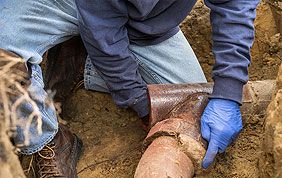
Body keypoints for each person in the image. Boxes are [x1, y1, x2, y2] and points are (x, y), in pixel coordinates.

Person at [0, 0, 259, 177]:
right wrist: (140, 102)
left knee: (191, 108)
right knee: (3, 55)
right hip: (53, 4)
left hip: (144, 24)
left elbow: (235, 6)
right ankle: (46, 141)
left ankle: (80, 63)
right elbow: (104, 33)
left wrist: (229, 90)